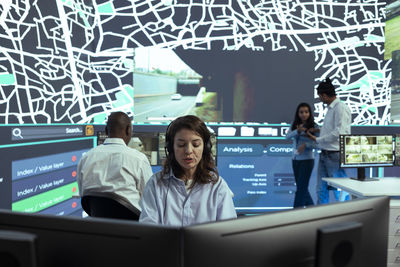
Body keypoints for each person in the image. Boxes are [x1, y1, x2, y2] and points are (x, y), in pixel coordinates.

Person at [139, 115, 237, 226]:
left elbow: (227, 234)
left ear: (205, 148)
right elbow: (149, 233)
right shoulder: (155, 184)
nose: (188, 151)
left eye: (196, 144)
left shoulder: (218, 186)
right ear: (171, 148)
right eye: (181, 145)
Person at [77, 111, 153, 218]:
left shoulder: (86, 158)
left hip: (97, 228)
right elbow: (150, 199)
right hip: (133, 230)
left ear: (106, 130)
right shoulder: (138, 159)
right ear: (128, 130)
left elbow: (83, 195)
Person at [307, 77, 351, 204]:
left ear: (324, 95)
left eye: (320, 96)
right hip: (326, 154)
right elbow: (333, 129)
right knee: (321, 189)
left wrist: (318, 139)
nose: (319, 99)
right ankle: (321, 217)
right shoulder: (332, 108)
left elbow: (340, 132)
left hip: (334, 154)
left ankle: (346, 216)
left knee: (341, 190)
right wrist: (319, 130)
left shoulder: (340, 108)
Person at [285, 103, 318, 208]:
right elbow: (287, 137)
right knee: (301, 187)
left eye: (306, 112)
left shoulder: (314, 126)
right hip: (295, 160)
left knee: (301, 189)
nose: (304, 114)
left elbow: (319, 144)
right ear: (298, 113)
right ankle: (313, 212)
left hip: (307, 160)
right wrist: (297, 131)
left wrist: (306, 145)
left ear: (310, 113)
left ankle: (296, 214)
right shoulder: (294, 124)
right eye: (301, 112)